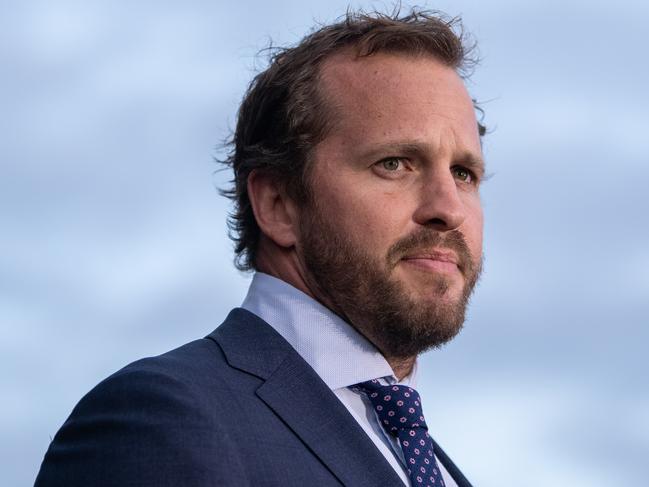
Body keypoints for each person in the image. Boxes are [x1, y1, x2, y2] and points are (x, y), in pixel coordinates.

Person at [35, 8, 486, 487]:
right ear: (277, 204)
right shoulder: (159, 422)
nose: (448, 208)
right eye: (394, 163)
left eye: (464, 173)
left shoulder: (431, 463)